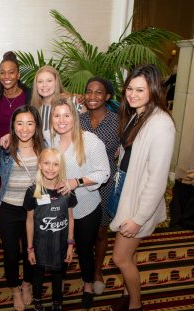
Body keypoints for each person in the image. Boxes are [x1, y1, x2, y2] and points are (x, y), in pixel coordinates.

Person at [108, 64, 175, 311]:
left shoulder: (162, 124)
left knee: (120, 258)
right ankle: (126, 296)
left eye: (140, 90)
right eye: (129, 89)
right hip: (126, 189)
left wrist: (138, 218)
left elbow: (157, 179)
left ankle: (136, 306)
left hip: (139, 202)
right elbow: (133, 151)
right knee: (128, 256)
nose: (132, 94)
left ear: (154, 90)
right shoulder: (139, 114)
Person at [46, 97, 110, 310]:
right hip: (59, 209)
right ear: (51, 118)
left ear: (74, 117)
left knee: (84, 249)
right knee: (60, 247)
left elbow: (104, 172)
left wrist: (76, 182)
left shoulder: (90, 141)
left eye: (66, 115)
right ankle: (59, 284)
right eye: (57, 115)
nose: (61, 120)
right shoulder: (48, 139)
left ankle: (88, 285)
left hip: (86, 207)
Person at [0, 105, 45, 311]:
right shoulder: (5, 148)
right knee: (10, 253)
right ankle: (15, 288)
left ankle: (27, 284)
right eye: (19, 123)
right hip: (8, 207)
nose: (24, 128)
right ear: (13, 126)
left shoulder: (44, 148)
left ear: (36, 126)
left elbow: (48, 179)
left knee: (29, 251)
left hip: (32, 210)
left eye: (29, 123)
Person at [24, 148, 77, 311]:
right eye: (46, 163)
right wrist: (30, 248)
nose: (51, 168)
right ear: (40, 164)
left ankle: (57, 305)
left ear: (60, 167)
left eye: (55, 164)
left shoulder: (66, 190)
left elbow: (70, 218)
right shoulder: (34, 191)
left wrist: (70, 245)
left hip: (60, 244)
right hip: (39, 245)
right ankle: (37, 307)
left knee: (58, 275)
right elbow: (30, 220)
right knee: (38, 276)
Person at [79, 77, 120, 295]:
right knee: (80, 229)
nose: (93, 96)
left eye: (98, 92)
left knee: (101, 231)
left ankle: (96, 271)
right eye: (88, 92)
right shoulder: (78, 119)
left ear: (107, 97)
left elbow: (128, 148)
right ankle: (83, 264)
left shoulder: (118, 121)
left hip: (105, 183)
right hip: (79, 182)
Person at [0, 51, 31, 139]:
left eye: (11, 72)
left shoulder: (29, 96)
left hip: (20, 147)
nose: (6, 76)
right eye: (2, 73)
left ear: (18, 75)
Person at [30, 66, 65, 132]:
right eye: (40, 81)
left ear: (56, 83)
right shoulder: (34, 109)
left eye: (49, 81)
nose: (44, 85)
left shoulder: (72, 103)